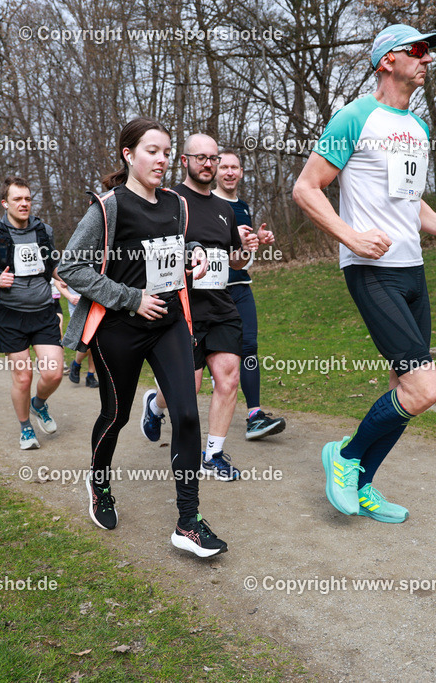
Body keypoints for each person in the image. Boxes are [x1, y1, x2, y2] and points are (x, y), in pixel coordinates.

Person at [293, 24, 436, 523]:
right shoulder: (355, 116)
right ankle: (346, 457)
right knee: (425, 388)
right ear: (385, 61)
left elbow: (408, 198)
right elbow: (307, 189)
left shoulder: (417, 127)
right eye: (417, 50)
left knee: (404, 387)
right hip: (371, 271)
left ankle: (364, 484)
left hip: (412, 271)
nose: (427, 58)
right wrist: (350, 236)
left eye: (429, 51)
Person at [58, 116, 227, 557]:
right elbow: (71, 267)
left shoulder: (175, 203)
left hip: (169, 323)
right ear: (128, 154)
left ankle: (188, 522)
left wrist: (196, 255)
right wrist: (131, 299)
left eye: (167, 152)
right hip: (119, 329)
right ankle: (99, 483)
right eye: (153, 150)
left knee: (188, 415)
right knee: (115, 416)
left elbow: (175, 245)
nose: (162, 159)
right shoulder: (108, 207)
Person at [140, 134, 257, 481]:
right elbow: (152, 254)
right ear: (184, 161)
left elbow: (234, 263)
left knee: (228, 377)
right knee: (186, 388)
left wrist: (247, 249)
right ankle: (154, 405)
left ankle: (214, 454)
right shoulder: (169, 200)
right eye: (201, 157)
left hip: (221, 306)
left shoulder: (225, 208)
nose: (208, 164)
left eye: (213, 158)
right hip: (183, 310)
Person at [0, 176, 64, 450]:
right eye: (17, 199)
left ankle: (39, 404)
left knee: (54, 374)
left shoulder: (44, 230)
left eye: (27, 199)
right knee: (23, 377)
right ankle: (25, 428)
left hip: (43, 311)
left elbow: (51, 265)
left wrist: (63, 276)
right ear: (5, 203)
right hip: (11, 315)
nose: (24, 204)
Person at [213, 149, 287, 440]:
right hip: (211, 291)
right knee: (199, 360)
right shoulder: (205, 202)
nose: (229, 172)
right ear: (216, 172)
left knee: (249, 350)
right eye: (224, 167)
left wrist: (258, 240)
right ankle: (162, 403)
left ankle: (254, 415)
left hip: (241, 287)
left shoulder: (243, 206)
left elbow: (243, 251)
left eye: (235, 167)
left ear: (241, 172)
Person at [57, 278, 98, 388]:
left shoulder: (100, 260)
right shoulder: (69, 260)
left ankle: (90, 375)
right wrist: (70, 296)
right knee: (87, 341)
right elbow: (57, 281)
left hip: (96, 302)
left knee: (95, 340)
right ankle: (76, 363)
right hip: (77, 304)